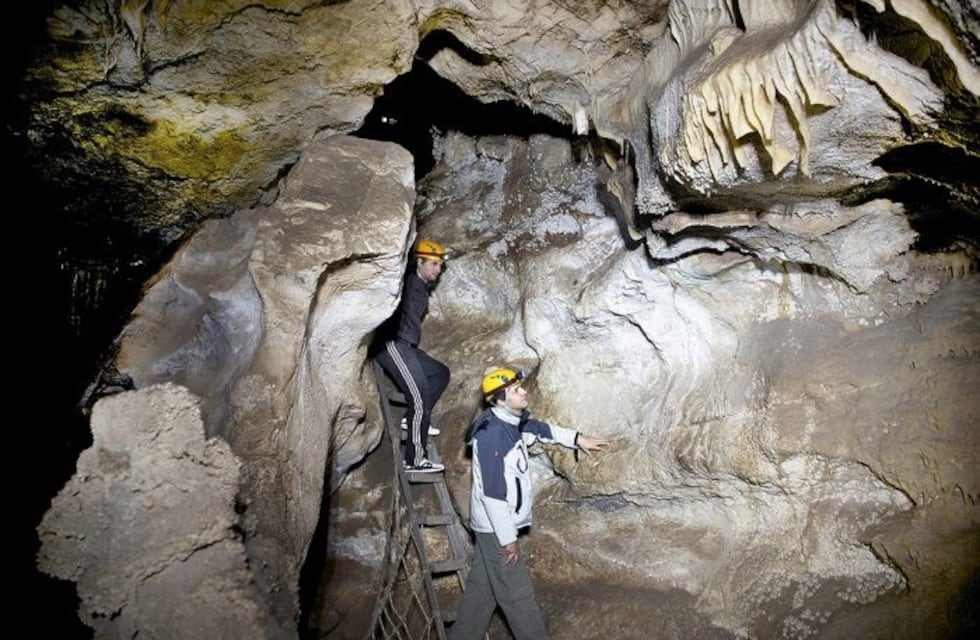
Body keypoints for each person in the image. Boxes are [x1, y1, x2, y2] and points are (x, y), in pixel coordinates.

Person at [448, 368, 610, 639]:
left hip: (494, 527)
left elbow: (541, 429)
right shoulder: (492, 434)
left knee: (481, 591)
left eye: (520, 386)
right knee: (517, 595)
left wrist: (577, 439)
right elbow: (492, 493)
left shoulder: (510, 420)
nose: (523, 391)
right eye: (515, 390)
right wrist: (507, 538)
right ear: (500, 399)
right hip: (495, 527)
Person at [372, 238, 451, 472]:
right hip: (391, 344)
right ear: (419, 262)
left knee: (440, 373)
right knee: (418, 396)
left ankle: (411, 419)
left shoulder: (421, 287)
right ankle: (415, 460)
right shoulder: (406, 282)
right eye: (433, 264)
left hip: (406, 345)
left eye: (439, 265)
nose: (437, 269)